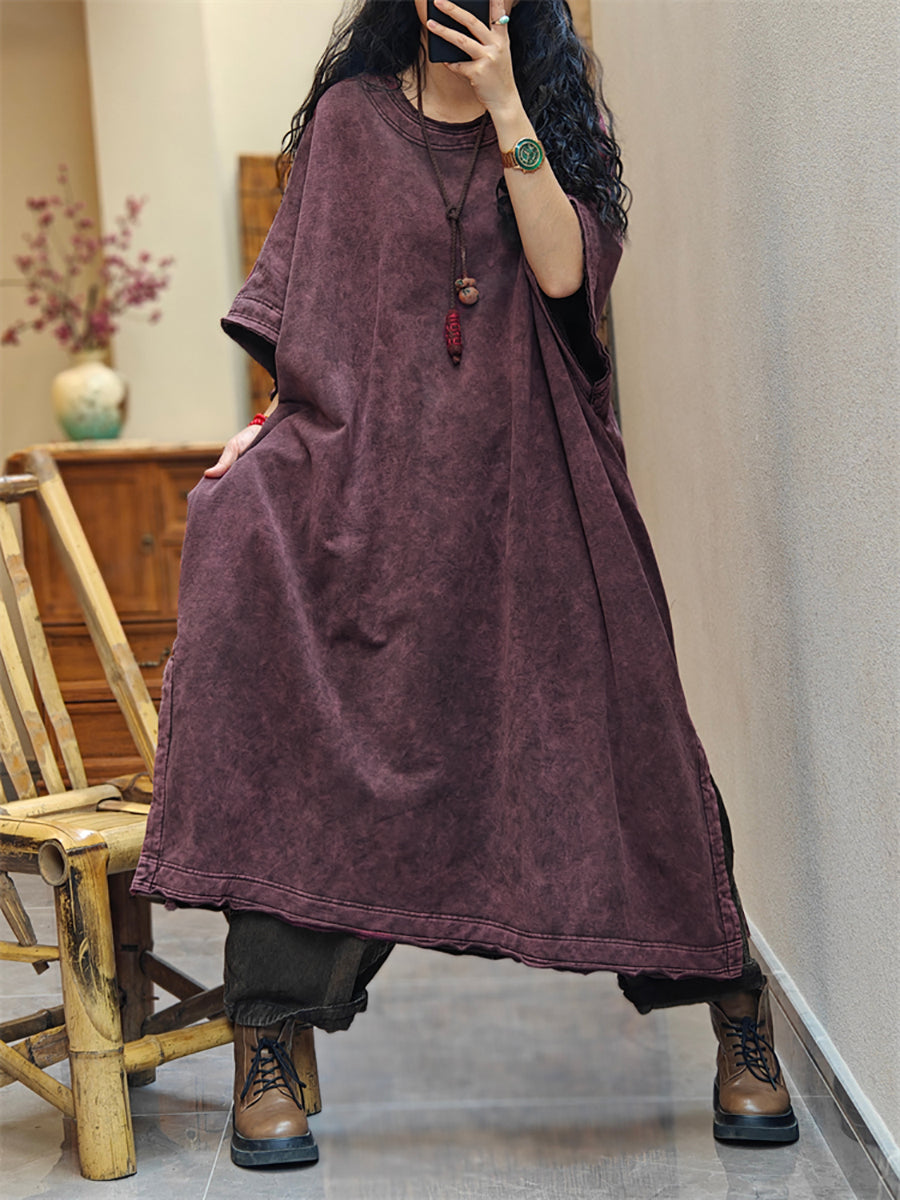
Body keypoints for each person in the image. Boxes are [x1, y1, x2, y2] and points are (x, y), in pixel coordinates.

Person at [132, 0, 799, 1169]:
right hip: (369, 498)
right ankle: (270, 1038)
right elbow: (313, 320)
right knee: (282, 690)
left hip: (531, 492)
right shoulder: (350, 124)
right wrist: (270, 432)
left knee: (630, 745)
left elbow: (566, 279)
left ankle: (737, 1011)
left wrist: (507, 109)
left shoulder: (551, 120)